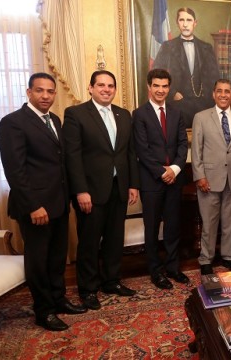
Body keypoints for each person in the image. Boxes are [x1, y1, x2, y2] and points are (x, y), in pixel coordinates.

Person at [0, 73, 87, 331]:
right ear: (29, 93)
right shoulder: (13, 123)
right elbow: (15, 170)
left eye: (50, 91)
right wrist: (33, 205)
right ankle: (43, 311)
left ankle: (58, 300)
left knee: (57, 258)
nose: (46, 96)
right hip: (35, 207)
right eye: (40, 91)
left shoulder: (55, 120)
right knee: (38, 260)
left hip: (58, 203)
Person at [63, 70, 140, 310]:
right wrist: (80, 191)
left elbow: (129, 153)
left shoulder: (124, 115)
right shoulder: (76, 114)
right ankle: (87, 289)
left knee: (115, 239)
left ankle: (111, 281)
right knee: (89, 242)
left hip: (118, 188)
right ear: (91, 88)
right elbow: (72, 157)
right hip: (90, 192)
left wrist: (133, 184)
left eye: (110, 86)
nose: (106, 89)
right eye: (101, 85)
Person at [132, 69, 189, 289]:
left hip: (174, 179)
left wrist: (174, 169)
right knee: (153, 227)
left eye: (165, 86)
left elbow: (183, 144)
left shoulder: (176, 112)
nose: (161, 90)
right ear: (149, 86)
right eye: (157, 85)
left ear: (169, 87)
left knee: (174, 226)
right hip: (151, 182)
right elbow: (142, 150)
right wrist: (161, 172)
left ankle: (173, 268)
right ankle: (156, 271)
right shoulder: (140, 114)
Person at [192, 79, 231, 275]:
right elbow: (196, 149)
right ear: (213, 94)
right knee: (209, 223)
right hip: (208, 179)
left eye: (227, 91)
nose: (223, 95)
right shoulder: (201, 117)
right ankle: (206, 259)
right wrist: (199, 176)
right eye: (219, 91)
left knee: (230, 222)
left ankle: (228, 257)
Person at [152, 7, 220, 128]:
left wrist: (210, 98)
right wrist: (172, 93)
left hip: (203, 104)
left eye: (188, 20)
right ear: (177, 23)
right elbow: (155, 74)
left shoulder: (207, 47)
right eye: (181, 20)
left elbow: (215, 77)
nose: (185, 24)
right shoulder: (167, 46)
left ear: (195, 23)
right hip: (178, 104)